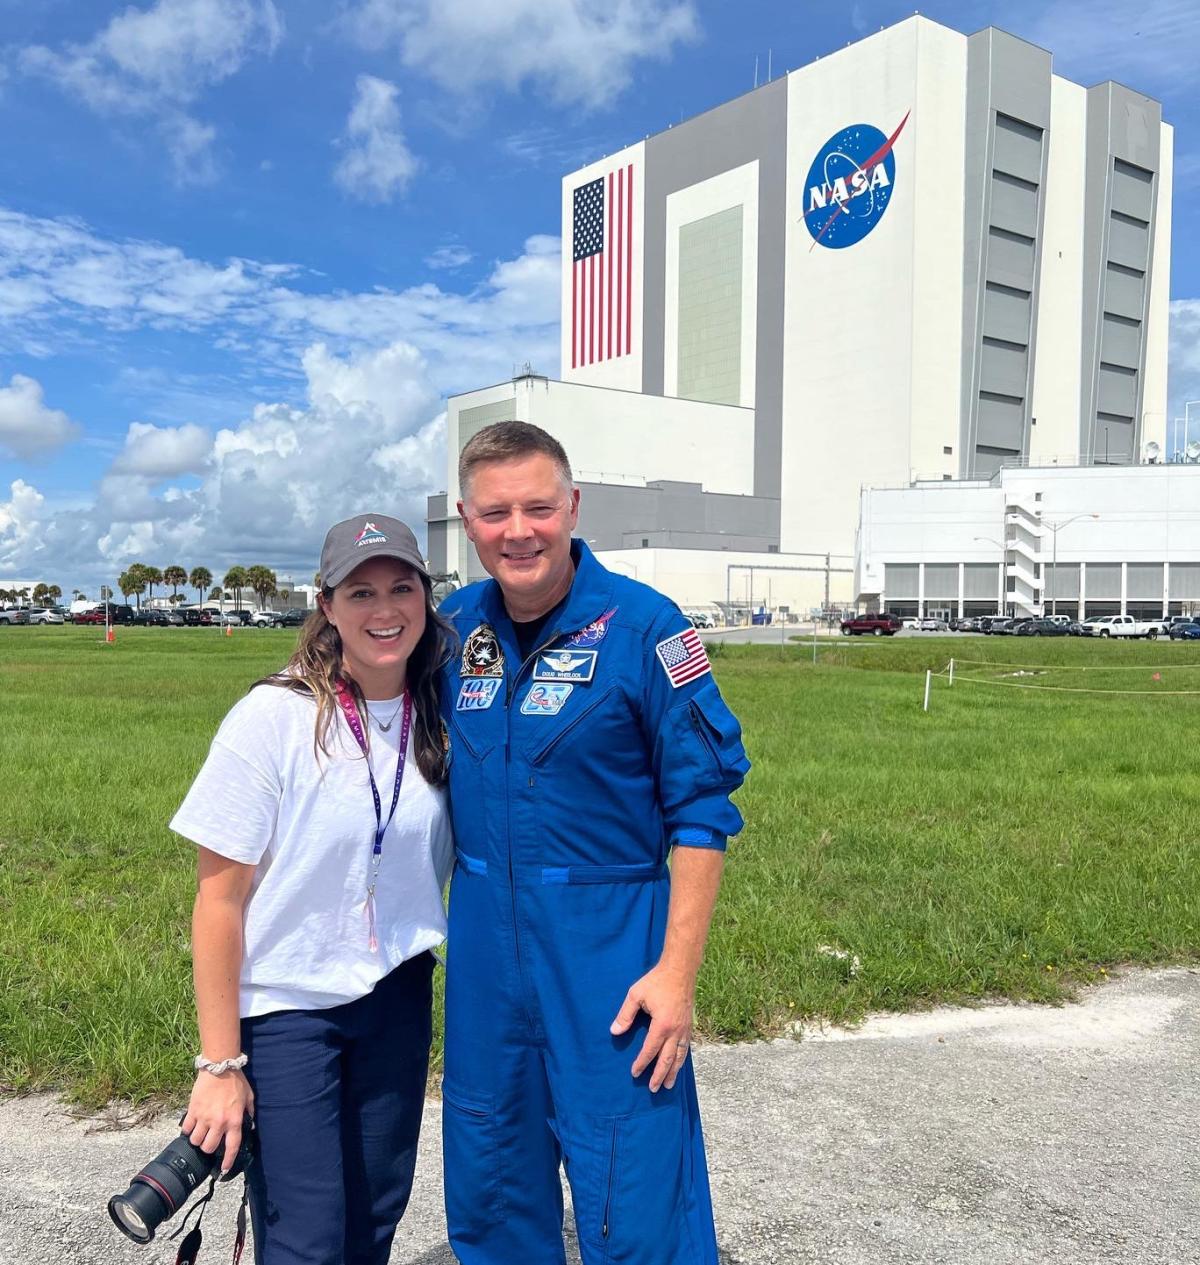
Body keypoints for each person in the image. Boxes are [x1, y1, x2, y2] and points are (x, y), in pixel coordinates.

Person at [438, 421, 750, 1265]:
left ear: (572, 507)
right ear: (468, 522)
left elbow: (703, 810)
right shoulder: (450, 631)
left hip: (611, 962)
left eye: (539, 506)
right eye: (496, 512)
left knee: (637, 1190)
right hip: (484, 964)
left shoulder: (647, 630)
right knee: (490, 1175)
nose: (519, 530)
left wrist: (677, 974)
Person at [170, 514, 455, 1265]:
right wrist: (220, 1065)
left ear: (427, 598)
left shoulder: (444, 711)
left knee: (374, 1219)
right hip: (288, 1009)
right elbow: (218, 901)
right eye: (360, 592)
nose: (384, 610)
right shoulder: (272, 718)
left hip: (395, 995)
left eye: (402, 588)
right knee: (307, 1234)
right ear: (325, 605)